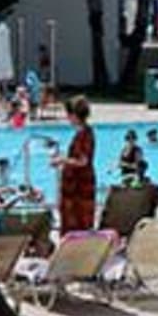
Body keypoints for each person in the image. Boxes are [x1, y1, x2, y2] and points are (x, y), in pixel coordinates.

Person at [57, 96, 97, 232]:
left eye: (69, 115)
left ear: (74, 116)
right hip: (75, 186)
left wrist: (62, 160)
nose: (67, 118)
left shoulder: (84, 136)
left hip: (79, 187)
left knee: (78, 220)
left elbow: (83, 161)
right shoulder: (84, 133)